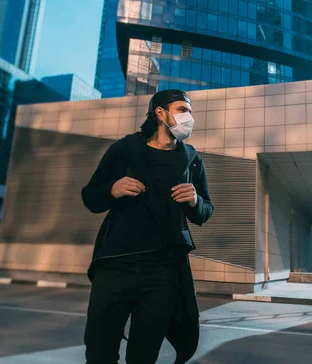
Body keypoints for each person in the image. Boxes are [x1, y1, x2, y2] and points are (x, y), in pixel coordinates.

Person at [81, 89, 214, 364]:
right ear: (160, 113)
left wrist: (195, 200)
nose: (189, 117)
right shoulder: (125, 149)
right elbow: (90, 196)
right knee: (98, 353)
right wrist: (112, 189)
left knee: (144, 357)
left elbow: (205, 212)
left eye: (189, 111)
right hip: (115, 266)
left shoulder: (191, 158)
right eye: (182, 109)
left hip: (163, 273)